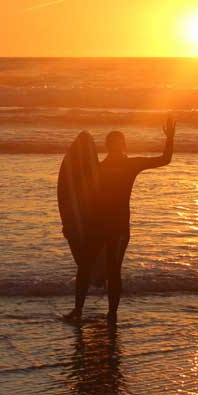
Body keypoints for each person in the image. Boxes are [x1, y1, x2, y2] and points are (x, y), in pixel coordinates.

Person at [64, 115, 176, 324]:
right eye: (113, 143)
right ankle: (78, 310)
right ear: (107, 146)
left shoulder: (128, 166)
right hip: (97, 225)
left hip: (118, 228)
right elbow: (80, 198)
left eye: (119, 143)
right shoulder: (97, 168)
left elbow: (164, 160)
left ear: (122, 145)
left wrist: (170, 139)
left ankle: (111, 314)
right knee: (85, 268)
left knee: (114, 270)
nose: (117, 146)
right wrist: (71, 223)